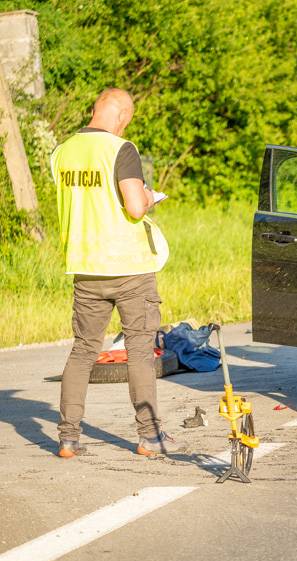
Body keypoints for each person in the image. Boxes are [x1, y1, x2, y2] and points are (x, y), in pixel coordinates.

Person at [50, 88, 186, 458]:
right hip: (128, 267)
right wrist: (147, 195)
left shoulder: (61, 152)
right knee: (140, 352)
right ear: (123, 116)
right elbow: (135, 208)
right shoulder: (120, 149)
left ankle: (68, 438)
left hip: (85, 268)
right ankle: (149, 436)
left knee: (83, 351)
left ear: (95, 108)